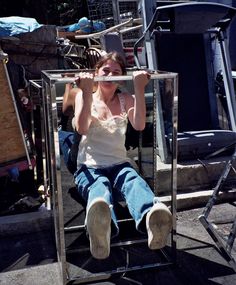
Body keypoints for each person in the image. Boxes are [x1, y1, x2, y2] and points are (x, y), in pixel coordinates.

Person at [61, 51, 172, 260]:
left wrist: (138, 88)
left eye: (116, 72)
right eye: (106, 70)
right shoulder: (84, 96)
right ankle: (101, 230)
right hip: (90, 167)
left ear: (121, 77)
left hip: (119, 163)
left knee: (133, 182)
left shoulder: (125, 98)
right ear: (97, 72)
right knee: (99, 187)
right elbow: (82, 128)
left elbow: (139, 125)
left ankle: (152, 218)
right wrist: (85, 92)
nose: (110, 75)